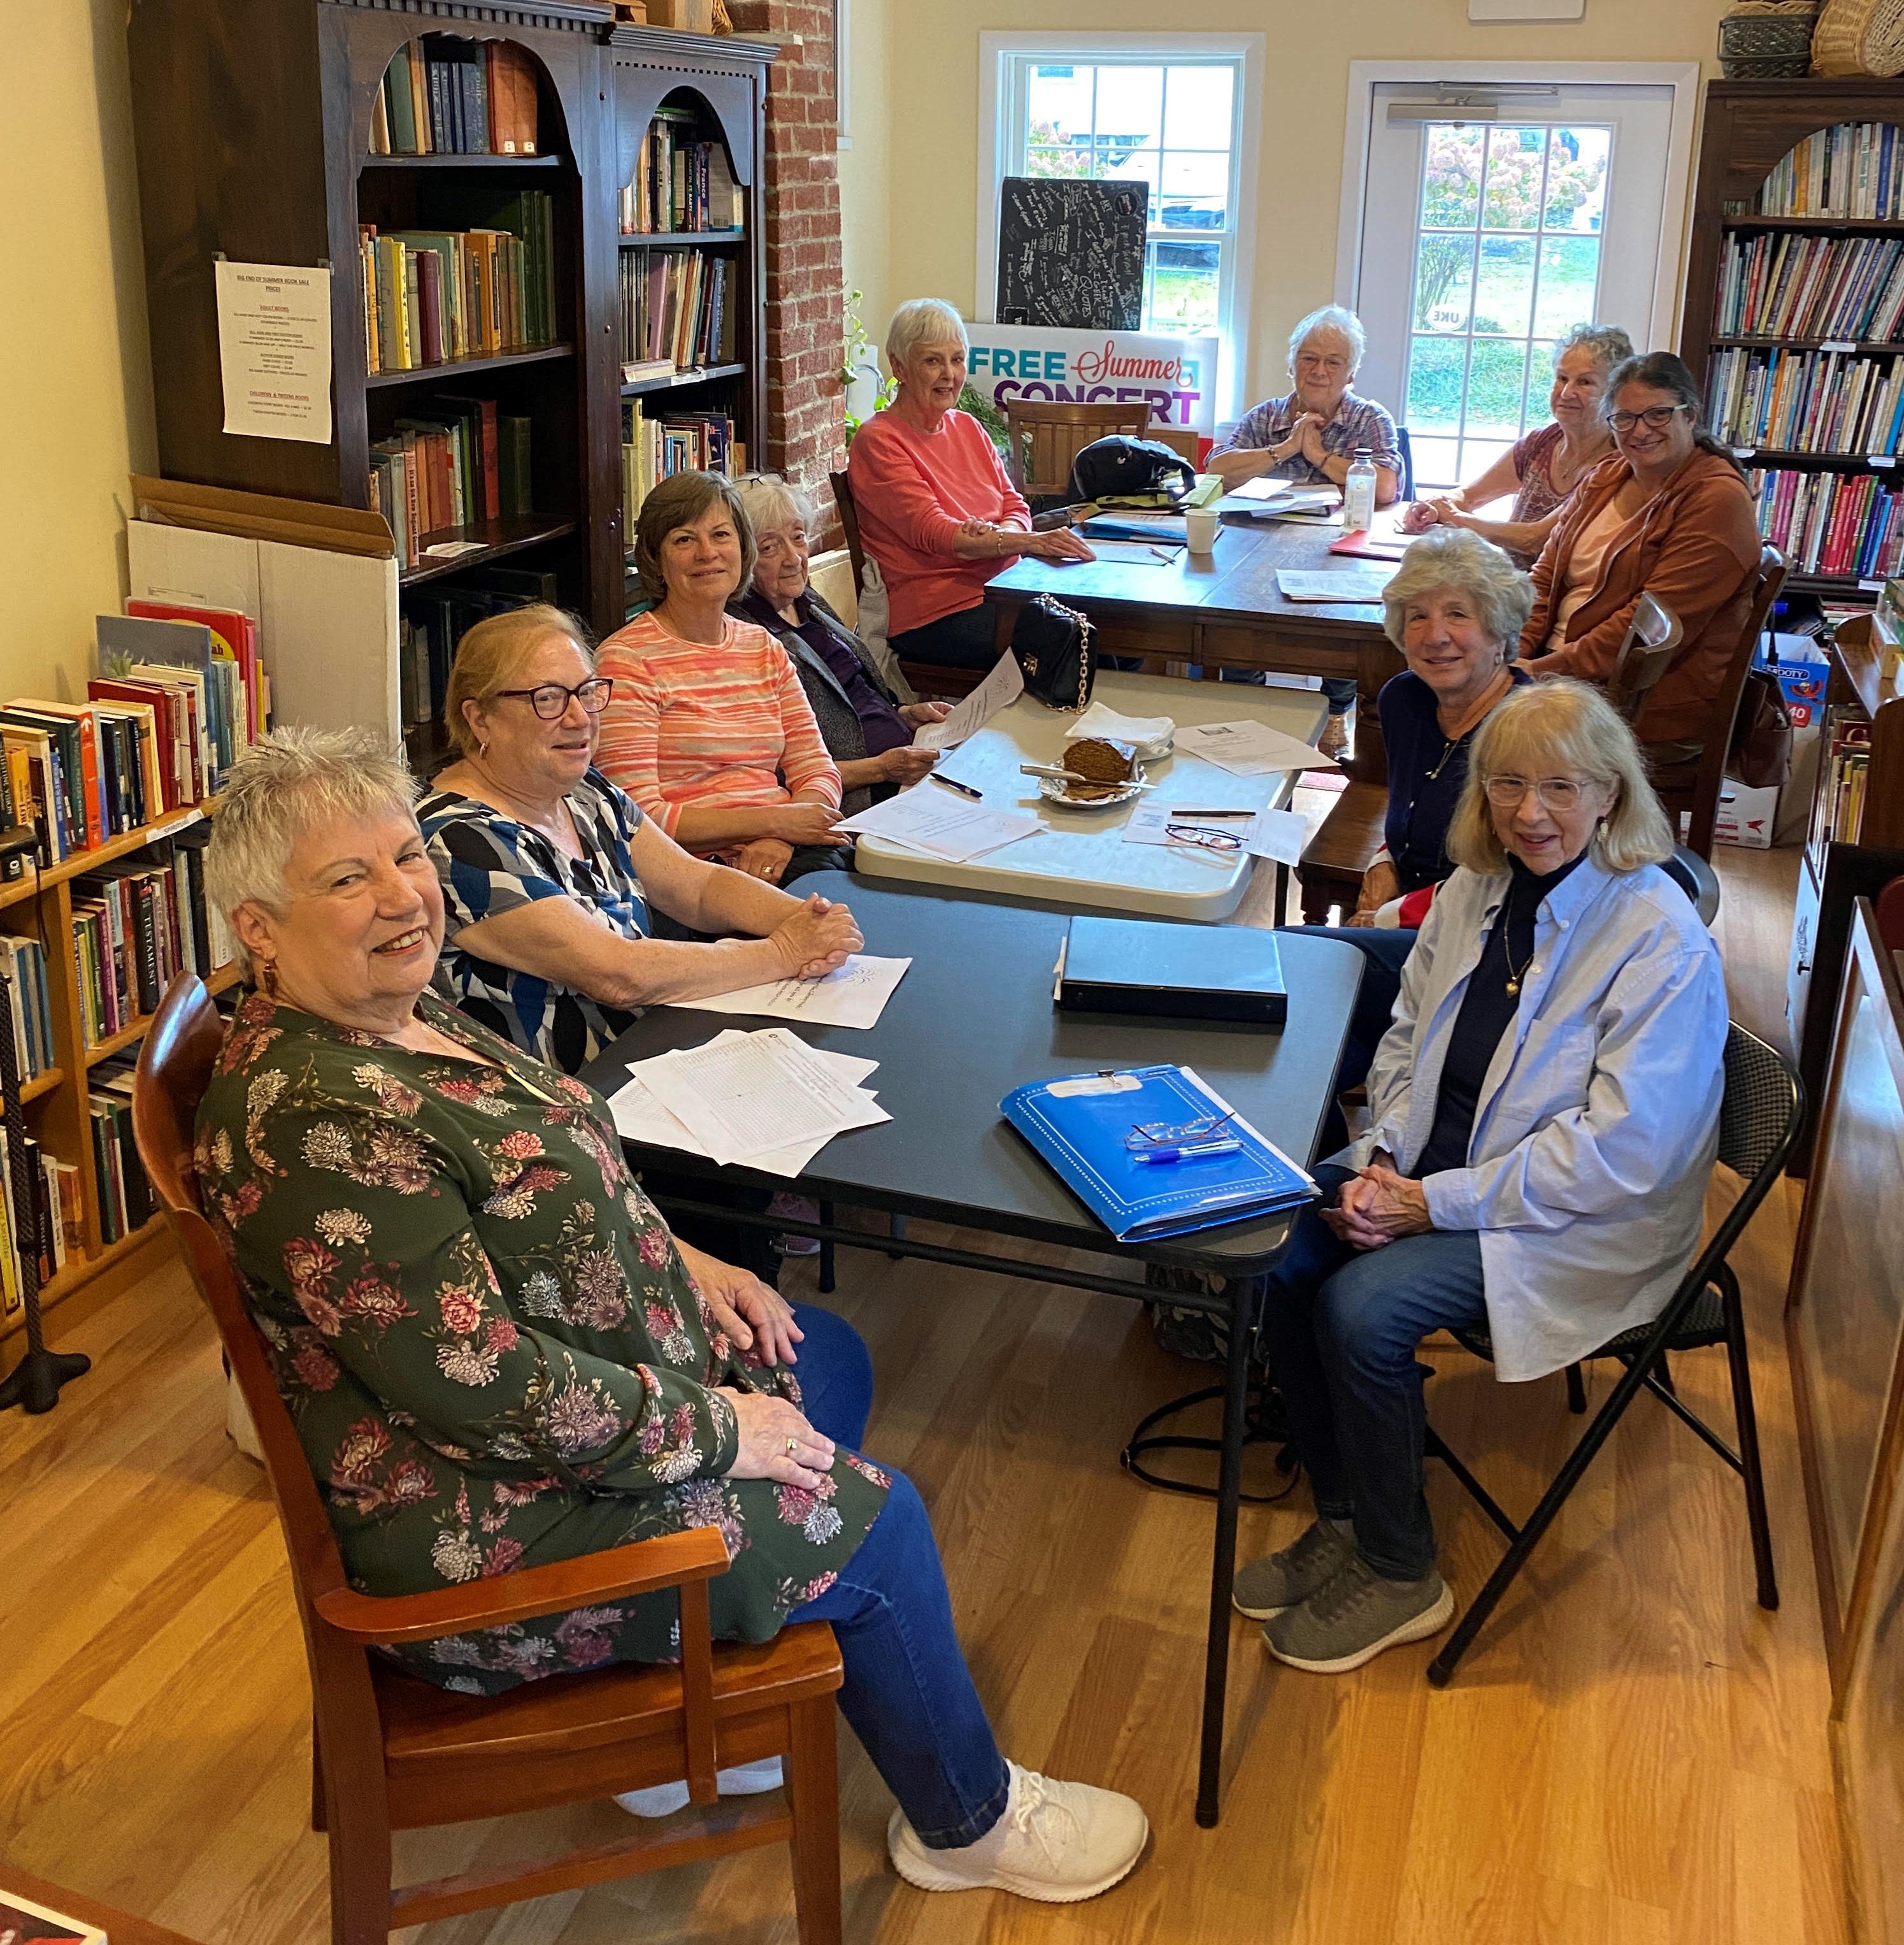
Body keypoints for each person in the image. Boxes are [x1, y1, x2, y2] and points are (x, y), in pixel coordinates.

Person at [196, 727, 1150, 1904]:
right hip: (482, 1521)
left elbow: (548, 1177)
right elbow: (485, 1389)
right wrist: (721, 1429)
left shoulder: (400, 1010)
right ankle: (968, 1821)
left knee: (822, 1354)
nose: (402, 895)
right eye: (348, 878)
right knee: (876, 1522)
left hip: (574, 1399)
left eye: (404, 855)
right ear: (258, 927)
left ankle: (684, 1699)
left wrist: (691, 1264)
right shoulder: (313, 1123)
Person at [1237, 680, 1726, 1674]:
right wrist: (1383, 1158)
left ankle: (1401, 1568)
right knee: (1276, 1249)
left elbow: (1624, 1151)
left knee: (1362, 1311)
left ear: (1610, 796)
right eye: (1507, 783)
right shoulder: (1474, 889)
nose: (1530, 812)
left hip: (1576, 1214)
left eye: (1560, 787)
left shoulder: (1657, 935)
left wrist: (1431, 1203)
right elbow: (1404, 1038)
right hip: (1433, 1166)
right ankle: (1346, 1512)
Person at [1291, 528, 1534, 1141]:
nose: (1434, 635)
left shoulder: (1524, 733)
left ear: (1500, 632)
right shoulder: (1405, 700)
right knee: (1301, 1034)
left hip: (1483, 945)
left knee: (1293, 962)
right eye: (1416, 616)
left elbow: (1506, 882)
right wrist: (1382, 862)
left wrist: (1387, 915)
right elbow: (1409, 809)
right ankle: (1324, 1158)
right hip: (1414, 925)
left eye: (1458, 614)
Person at [594, 471, 851, 887]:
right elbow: (637, 816)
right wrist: (776, 822)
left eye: (721, 535)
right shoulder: (624, 661)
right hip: (691, 873)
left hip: (788, 851)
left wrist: (779, 838)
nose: (707, 553)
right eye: (684, 539)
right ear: (656, 559)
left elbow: (817, 769)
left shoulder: (763, 647)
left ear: (742, 548)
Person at [1518, 351, 1763, 765]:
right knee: (1433, 693)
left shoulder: (1717, 499)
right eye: (1625, 418)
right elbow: (1545, 575)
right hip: (1566, 675)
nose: (1641, 430)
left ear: (1690, 415)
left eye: (1658, 414)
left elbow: (1645, 627)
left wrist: (1537, 672)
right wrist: (1515, 651)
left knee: (1475, 734)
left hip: (1641, 705)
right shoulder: (1607, 474)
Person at [847, 298, 1094, 672]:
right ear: (898, 366)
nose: (949, 374)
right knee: (1080, 645)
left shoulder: (968, 427)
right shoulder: (879, 440)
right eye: (933, 361)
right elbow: (937, 534)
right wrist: (1025, 542)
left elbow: (1014, 504)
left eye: (957, 359)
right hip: (936, 613)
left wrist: (1004, 535)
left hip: (1006, 588)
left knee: (1117, 626)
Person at [1208, 305, 1403, 757]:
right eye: (1308, 358)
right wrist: (1285, 447)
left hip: (1337, 549)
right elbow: (1218, 470)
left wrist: (1316, 455)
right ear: (1291, 364)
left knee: (1345, 623)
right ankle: (1246, 709)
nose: (1319, 371)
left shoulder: (1369, 419)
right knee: (1236, 615)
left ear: (1350, 373)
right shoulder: (1265, 417)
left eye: (1333, 362)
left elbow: (1386, 486)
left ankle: (1335, 714)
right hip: (1257, 547)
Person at [729, 472, 954, 817]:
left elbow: (852, 692)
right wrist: (881, 768)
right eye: (770, 547)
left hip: (907, 766)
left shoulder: (807, 601)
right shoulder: (745, 636)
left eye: (798, 538)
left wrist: (904, 714)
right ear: (743, 559)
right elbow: (774, 774)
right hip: (861, 796)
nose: (793, 558)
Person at [1399, 324, 1633, 568]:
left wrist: (1456, 518)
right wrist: (1434, 506)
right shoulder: (1541, 443)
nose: (1566, 393)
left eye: (1584, 382)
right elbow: (1468, 496)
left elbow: (1536, 539)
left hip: (1557, 590)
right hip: (1512, 582)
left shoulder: (1619, 463)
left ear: (1614, 393)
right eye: (1562, 378)